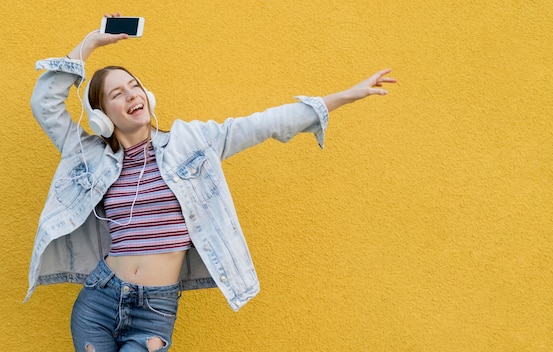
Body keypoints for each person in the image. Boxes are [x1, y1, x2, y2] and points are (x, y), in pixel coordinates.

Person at [28, 13, 396, 352]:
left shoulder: (193, 142)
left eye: (134, 86)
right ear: (102, 118)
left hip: (154, 310)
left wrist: (348, 95)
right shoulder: (88, 154)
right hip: (99, 299)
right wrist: (91, 43)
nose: (132, 95)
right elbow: (45, 103)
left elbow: (264, 123)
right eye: (116, 94)